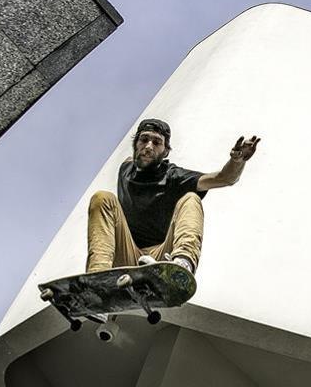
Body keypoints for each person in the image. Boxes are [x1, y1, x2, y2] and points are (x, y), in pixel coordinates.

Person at [85, 118, 260, 276]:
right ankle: (98, 276)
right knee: (102, 198)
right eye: (144, 140)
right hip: (125, 253)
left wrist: (237, 161)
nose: (148, 147)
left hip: (161, 257)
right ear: (135, 144)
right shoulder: (125, 168)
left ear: (166, 151)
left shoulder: (173, 176)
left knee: (191, 199)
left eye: (157, 143)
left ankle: (181, 266)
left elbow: (224, 178)